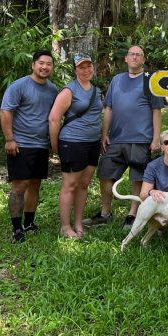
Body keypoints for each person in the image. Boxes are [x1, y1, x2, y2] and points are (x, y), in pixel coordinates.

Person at [84, 45, 163, 229]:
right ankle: (105, 213)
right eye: (131, 54)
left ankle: (132, 215)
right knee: (104, 174)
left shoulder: (150, 81)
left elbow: (156, 110)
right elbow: (108, 108)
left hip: (141, 139)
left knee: (138, 177)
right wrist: (104, 134)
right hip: (116, 139)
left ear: (143, 60)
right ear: (126, 58)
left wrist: (155, 139)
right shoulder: (117, 80)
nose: (134, 57)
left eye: (138, 55)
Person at [0, 50, 58, 243]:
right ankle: (17, 229)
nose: (45, 67)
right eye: (41, 63)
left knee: (35, 184)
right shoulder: (20, 86)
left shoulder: (53, 90)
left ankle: (29, 223)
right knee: (19, 186)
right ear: (33, 65)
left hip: (41, 145)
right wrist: (9, 139)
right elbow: (6, 111)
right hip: (21, 144)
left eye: (49, 64)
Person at [48, 53, 103, 238]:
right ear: (75, 69)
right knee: (70, 185)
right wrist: (55, 146)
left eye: (89, 66)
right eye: (81, 67)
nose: (86, 70)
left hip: (92, 143)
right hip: (72, 142)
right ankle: (65, 226)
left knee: (84, 184)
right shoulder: (69, 91)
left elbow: (98, 116)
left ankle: (78, 223)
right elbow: (54, 119)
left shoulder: (96, 90)